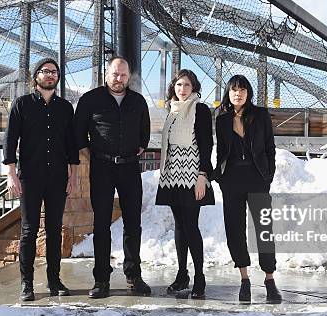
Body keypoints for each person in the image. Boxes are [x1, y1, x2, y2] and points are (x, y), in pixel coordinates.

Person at [74, 56, 152, 299]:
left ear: (129, 77)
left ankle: (133, 276)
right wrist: (95, 154)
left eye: (123, 75)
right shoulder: (90, 99)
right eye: (115, 74)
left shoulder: (138, 101)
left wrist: (138, 146)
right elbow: (78, 133)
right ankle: (101, 279)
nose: (119, 79)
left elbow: (144, 134)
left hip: (129, 168)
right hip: (102, 167)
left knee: (133, 224)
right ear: (106, 74)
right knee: (101, 224)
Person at [3, 57, 80, 302]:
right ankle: (26, 284)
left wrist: (73, 175)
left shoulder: (65, 108)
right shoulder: (21, 104)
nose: (50, 75)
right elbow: (10, 140)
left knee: (55, 229)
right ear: (36, 76)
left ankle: (54, 280)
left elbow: (71, 145)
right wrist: (11, 173)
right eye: (45, 71)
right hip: (30, 178)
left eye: (54, 72)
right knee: (29, 231)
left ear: (58, 78)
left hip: (58, 178)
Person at [213, 74, 282, 303]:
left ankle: (270, 279)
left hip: (257, 178)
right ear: (228, 93)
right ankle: (244, 279)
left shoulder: (260, 115)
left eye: (242, 89)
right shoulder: (221, 119)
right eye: (234, 89)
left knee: (264, 228)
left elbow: (270, 147)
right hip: (231, 179)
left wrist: (268, 176)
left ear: (248, 93)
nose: (238, 93)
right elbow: (221, 151)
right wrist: (220, 177)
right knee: (235, 229)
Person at [155, 69, 214, 299]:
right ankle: (182, 274)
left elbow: (206, 144)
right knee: (179, 226)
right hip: (172, 176)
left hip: (191, 175)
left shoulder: (199, 109)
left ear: (194, 88)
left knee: (191, 225)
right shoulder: (172, 110)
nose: (182, 89)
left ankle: (200, 277)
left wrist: (203, 175)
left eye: (187, 85)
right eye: (179, 85)